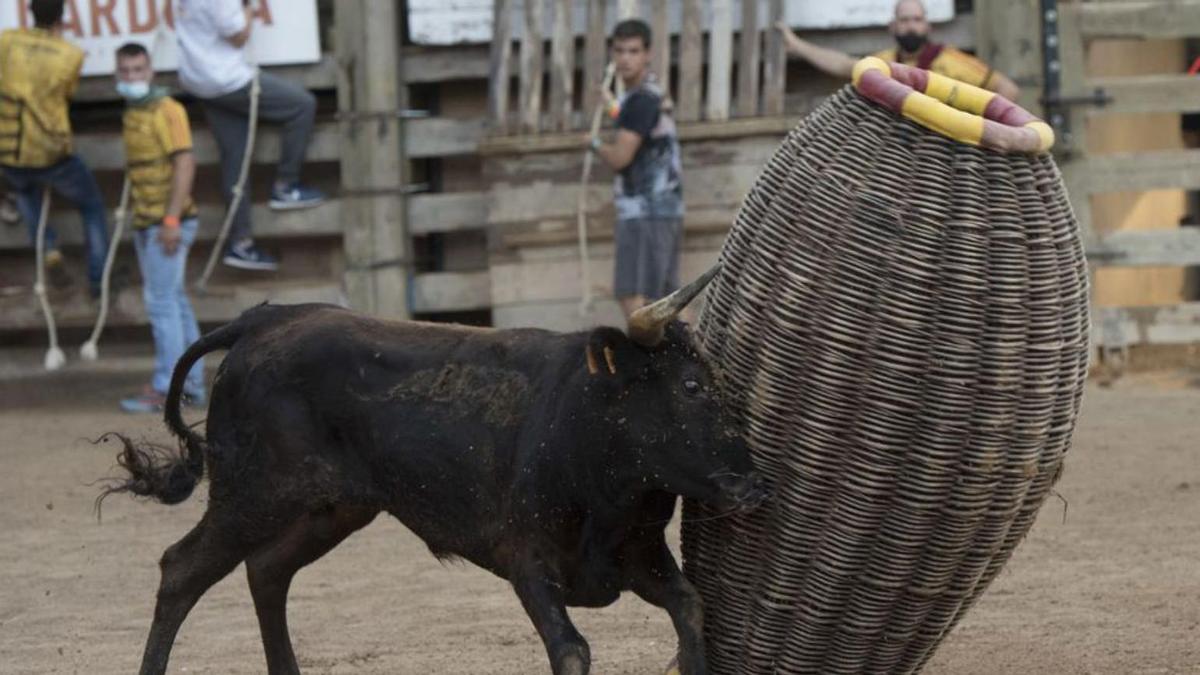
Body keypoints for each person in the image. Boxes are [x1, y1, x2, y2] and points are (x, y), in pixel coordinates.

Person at [174, 0, 326, 272]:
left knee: (236, 158)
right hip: (227, 79)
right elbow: (239, 36)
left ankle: (240, 242)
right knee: (303, 105)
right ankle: (286, 185)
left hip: (201, 82)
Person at [113, 42, 206, 413]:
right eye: (126, 71)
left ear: (150, 70)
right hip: (148, 221)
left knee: (162, 303)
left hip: (168, 222)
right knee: (175, 302)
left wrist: (170, 220)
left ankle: (168, 386)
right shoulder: (133, 112)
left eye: (139, 70)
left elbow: (186, 164)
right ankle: (192, 384)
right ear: (118, 74)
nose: (133, 77)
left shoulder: (168, 109)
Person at [0, 0, 111, 297]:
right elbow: (67, 93)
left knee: (26, 194)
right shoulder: (70, 55)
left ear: (29, 12)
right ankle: (98, 278)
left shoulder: (7, 40)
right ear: (62, 18)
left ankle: (49, 248)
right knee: (92, 206)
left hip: (9, 149)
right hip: (50, 152)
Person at [586, 19, 684, 319]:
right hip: (658, 210)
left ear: (647, 54)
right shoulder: (641, 96)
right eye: (620, 51)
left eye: (633, 51)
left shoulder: (641, 100)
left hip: (646, 212)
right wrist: (613, 107)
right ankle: (695, 359)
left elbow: (620, 158)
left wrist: (593, 144)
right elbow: (636, 126)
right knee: (664, 302)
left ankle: (661, 365)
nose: (626, 58)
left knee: (637, 302)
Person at [777, 0, 1021, 102]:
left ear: (927, 26)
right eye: (904, 20)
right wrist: (798, 45)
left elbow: (1008, 89)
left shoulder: (953, 61)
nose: (910, 26)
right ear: (893, 27)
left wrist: (982, 128)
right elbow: (843, 65)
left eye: (916, 20)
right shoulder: (884, 63)